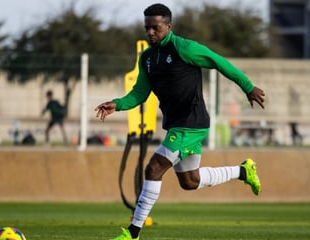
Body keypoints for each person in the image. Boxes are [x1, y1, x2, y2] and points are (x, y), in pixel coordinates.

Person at [94, 4, 265, 240]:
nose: (151, 32)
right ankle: (243, 171)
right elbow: (139, 93)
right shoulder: (147, 58)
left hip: (191, 122)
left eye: (156, 28)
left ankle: (132, 233)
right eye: (147, 28)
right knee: (190, 181)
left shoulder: (184, 48)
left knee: (154, 168)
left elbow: (218, 61)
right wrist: (117, 103)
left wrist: (248, 87)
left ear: (168, 26)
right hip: (177, 124)